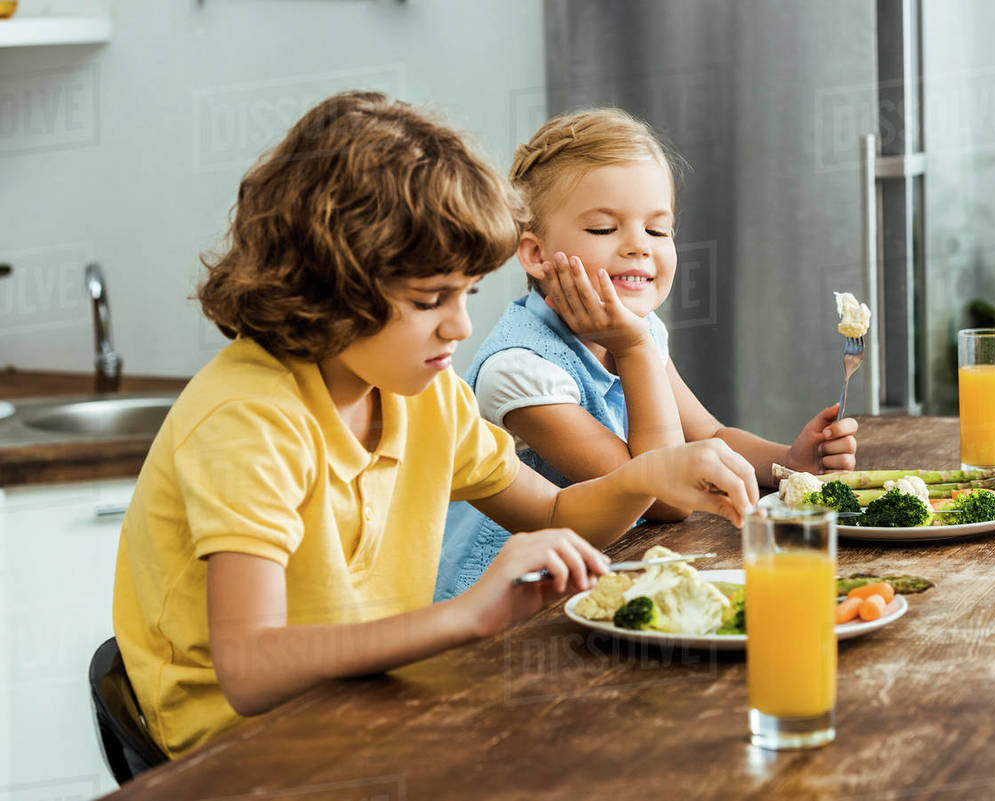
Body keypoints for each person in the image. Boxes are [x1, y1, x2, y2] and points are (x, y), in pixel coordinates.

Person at [112, 92, 759, 759]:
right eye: (430, 300)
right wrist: (462, 616)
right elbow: (251, 670)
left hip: (371, 708)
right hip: (241, 753)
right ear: (332, 284)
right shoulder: (248, 418)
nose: (460, 326)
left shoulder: (425, 395)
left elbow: (553, 513)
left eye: (466, 293)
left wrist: (646, 475)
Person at [437, 108, 858, 599]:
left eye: (657, 231)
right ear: (535, 254)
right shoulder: (519, 371)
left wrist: (787, 463)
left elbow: (709, 435)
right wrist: (633, 347)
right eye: (603, 229)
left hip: (611, 574)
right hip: (512, 605)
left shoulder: (639, 333)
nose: (638, 247)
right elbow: (664, 498)